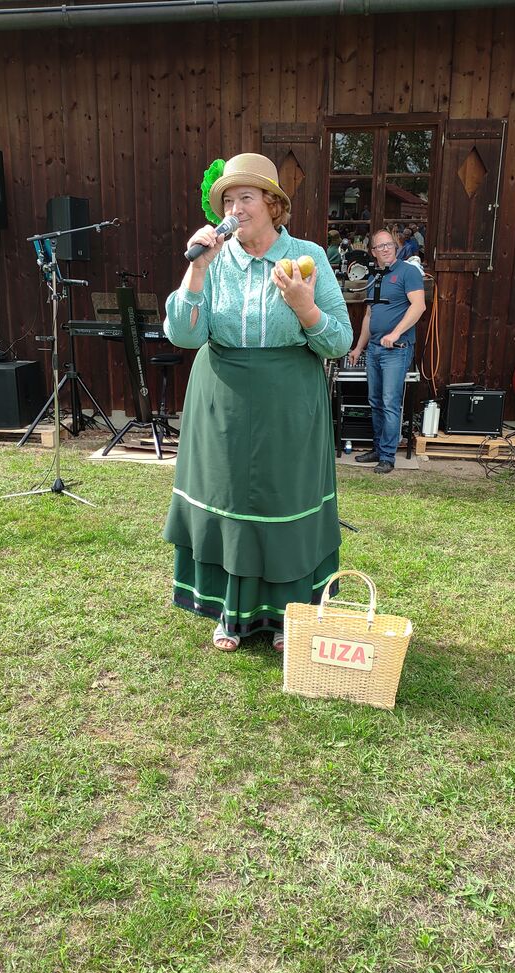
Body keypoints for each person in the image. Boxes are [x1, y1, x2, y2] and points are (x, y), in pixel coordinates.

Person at [163, 153, 353, 652]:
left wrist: (305, 308)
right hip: (221, 400)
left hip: (289, 401)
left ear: (272, 204)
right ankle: (229, 612)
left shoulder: (308, 256)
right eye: (228, 200)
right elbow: (185, 335)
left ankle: (289, 615)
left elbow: (338, 341)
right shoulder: (215, 260)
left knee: (284, 502)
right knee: (229, 505)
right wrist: (197, 271)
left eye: (245, 197)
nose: (235, 208)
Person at [347, 228, 425, 474]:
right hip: (374, 350)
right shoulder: (376, 276)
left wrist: (395, 333)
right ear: (373, 252)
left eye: (389, 244)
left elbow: (419, 306)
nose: (385, 249)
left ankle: (388, 456)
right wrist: (359, 347)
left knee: (390, 402)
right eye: (380, 246)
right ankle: (378, 449)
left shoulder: (409, 272)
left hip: (396, 350)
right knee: (376, 401)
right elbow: (369, 315)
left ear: (396, 246)